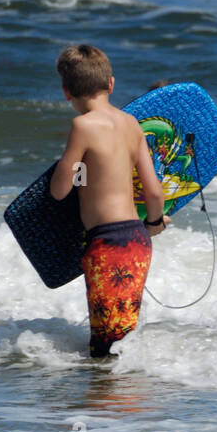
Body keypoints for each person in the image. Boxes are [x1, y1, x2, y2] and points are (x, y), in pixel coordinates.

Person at [49, 44, 169, 357]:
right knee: (122, 337)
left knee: (105, 346)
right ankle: (127, 400)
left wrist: (78, 174)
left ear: (66, 92)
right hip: (138, 241)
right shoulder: (132, 125)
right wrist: (154, 222)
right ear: (111, 84)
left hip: (106, 245)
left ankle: (113, 404)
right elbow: (154, 191)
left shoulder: (82, 126)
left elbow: (61, 189)